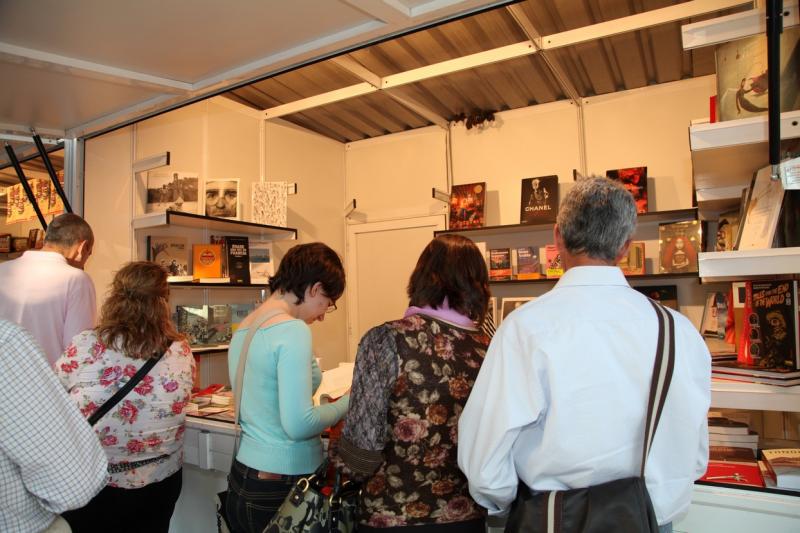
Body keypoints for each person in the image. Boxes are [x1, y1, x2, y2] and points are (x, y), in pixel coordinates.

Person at [458, 176, 711, 533]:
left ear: (557, 236)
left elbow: (484, 459)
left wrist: (504, 504)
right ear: (626, 247)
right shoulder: (678, 331)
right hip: (647, 519)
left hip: (551, 518)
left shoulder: (525, 328)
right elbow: (694, 454)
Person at [335, 234, 491, 532]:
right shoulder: (487, 347)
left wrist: (335, 451)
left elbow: (361, 455)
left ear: (421, 277)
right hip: (466, 518)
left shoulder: (386, 339)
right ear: (477, 284)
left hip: (392, 515)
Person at [55, 262, 195, 533]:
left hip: (94, 483)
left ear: (115, 297)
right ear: (163, 301)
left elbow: (52, 400)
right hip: (159, 481)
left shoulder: (86, 344)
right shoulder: (180, 350)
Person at [225, 242, 350, 533]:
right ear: (315, 288)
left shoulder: (246, 326)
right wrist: (348, 402)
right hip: (282, 483)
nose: (322, 315)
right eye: (328, 303)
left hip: (244, 476)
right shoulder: (292, 330)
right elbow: (298, 424)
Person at [0, 319, 108, 532]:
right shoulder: (6, 343)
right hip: (156, 472)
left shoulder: (86, 341)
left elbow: (61, 377)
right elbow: (74, 486)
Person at [0, 212, 96, 365]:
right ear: (82, 247)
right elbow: (78, 350)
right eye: (88, 253)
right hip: (46, 384)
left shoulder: (2, 270)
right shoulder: (77, 280)